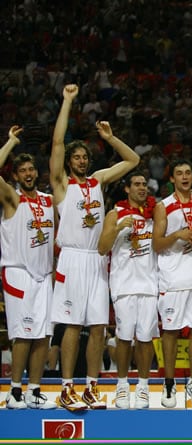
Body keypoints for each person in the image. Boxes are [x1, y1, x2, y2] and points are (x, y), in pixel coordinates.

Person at [50, 84, 140, 411]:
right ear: (69, 162)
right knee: (72, 324)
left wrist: (110, 138)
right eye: (76, 156)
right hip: (72, 259)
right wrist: (68, 101)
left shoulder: (98, 180)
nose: (81, 160)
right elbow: (58, 142)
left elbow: (133, 159)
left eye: (85, 156)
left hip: (97, 261)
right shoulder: (62, 185)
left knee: (99, 325)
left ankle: (91, 387)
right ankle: (66, 387)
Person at [0, 127, 57, 410]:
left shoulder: (48, 200)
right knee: (22, 334)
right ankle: (14, 392)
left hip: (44, 274)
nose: (28, 174)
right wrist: (11, 142)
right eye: (22, 170)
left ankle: (34, 390)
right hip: (18, 272)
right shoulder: (12, 198)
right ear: (15, 176)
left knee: (43, 334)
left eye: (31, 169)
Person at [152, 159, 192, 408]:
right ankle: (169, 383)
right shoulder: (163, 206)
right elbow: (157, 244)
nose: (185, 177)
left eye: (188, 173)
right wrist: (177, 234)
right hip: (173, 278)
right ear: (172, 179)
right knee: (171, 332)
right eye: (179, 173)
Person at [97, 170, 158, 409]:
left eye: (144, 184)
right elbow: (102, 247)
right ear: (127, 189)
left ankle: (142, 386)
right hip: (123, 285)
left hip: (150, 284)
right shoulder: (115, 213)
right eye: (137, 184)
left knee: (145, 338)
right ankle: (122, 386)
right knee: (123, 337)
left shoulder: (154, 212)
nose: (142, 188)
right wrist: (119, 226)